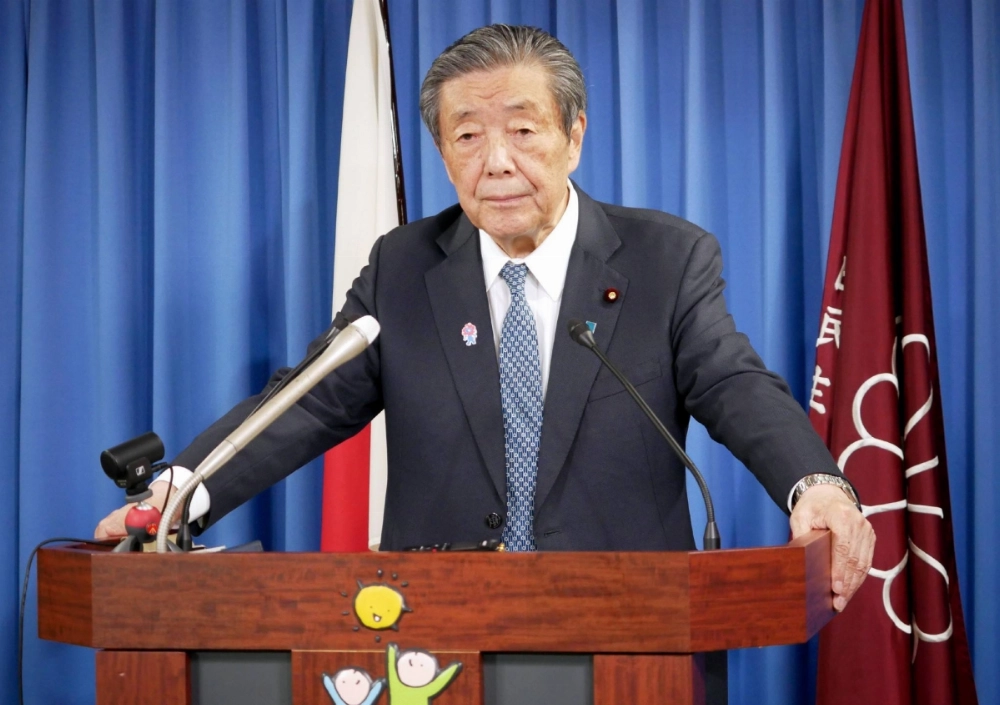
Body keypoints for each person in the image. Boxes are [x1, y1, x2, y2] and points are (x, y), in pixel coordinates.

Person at [96, 25, 873, 612]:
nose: (496, 160)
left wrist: (815, 483)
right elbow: (309, 399)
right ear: (442, 151)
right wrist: (181, 490)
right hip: (434, 625)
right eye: (467, 135)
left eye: (524, 130)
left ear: (574, 137)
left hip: (628, 623)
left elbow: (734, 382)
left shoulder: (665, 260)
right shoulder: (405, 267)